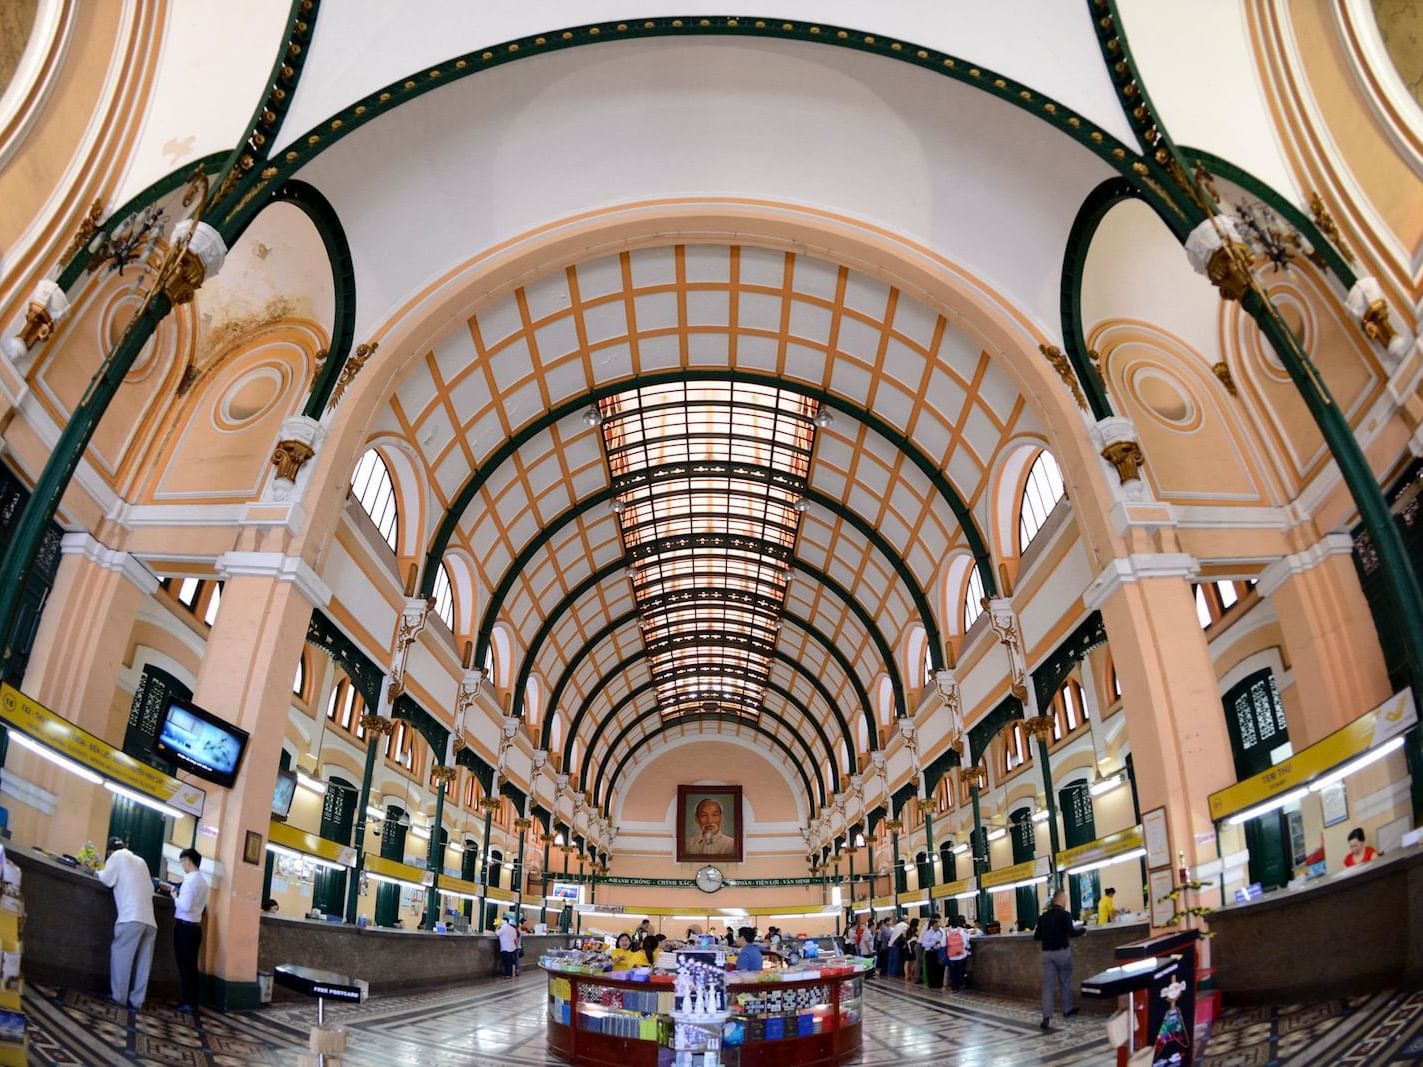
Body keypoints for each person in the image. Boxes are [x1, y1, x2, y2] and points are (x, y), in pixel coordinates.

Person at [97, 837, 157, 1011]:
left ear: (109, 852)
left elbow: (106, 879)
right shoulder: (141, 861)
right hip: (150, 921)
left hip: (131, 917)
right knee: (143, 963)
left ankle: (119, 997)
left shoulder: (117, 857)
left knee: (122, 957)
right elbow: (151, 888)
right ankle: (137, 1001)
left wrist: (96, 872)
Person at [1033, 890, 1085, 1029]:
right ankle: (1067, 1010)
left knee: (1048, 985)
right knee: (1065, 981)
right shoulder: (1065, 915)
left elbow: (1036, 936)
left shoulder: (1043, 917)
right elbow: (1072, 933)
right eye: (1065, 898)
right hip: (1062, 952)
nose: (1066, 900)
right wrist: (1083, 930)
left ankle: (1046, 1017)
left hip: (1047, 954)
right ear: (1061, 899)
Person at [168, 848, 209, 1013]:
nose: (182, 865)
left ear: (188, 860)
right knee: (191, 966)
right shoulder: (203, 882)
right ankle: (192, 1001)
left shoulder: (190, 881)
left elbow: (184, 905)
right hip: (195, 929)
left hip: (185, 928)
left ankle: (187, 1002)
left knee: (185, 966)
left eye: (182, 862)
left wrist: (173, 897)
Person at [946, 915, 972, 992]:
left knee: (953, 972)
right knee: (960, 971)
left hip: (951, 955)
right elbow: (966, 941)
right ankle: (960, 984)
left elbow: (943, 943)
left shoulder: (946, 931)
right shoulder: (963, 931)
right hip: (961, 954)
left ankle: (954, 987)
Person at [920, 917, 945, 990]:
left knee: (938, 968)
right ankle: (932, 984)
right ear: (932, 926)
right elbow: (924, 944)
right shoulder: (928, 933)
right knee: (931, 969)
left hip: (937, 952)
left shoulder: (939, 932)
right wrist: (934, 943)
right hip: (930, 952)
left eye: (938, 926)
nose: (938, 927)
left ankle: (939, 983)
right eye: (936, 926)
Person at [497, 914, 520, 979]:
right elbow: (515, 937)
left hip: (505, 947)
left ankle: (507, 975)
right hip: (513, 947)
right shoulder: (512, 928)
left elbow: (497, 933)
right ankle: (511, 974)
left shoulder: (504, 927)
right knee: (511, 961)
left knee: (506, 962)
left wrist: (498, 927)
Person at [904, 918, 921, 983]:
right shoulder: (915, 930)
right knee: (913, 961)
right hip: (912, 947)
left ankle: (906, 975)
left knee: (907, 962)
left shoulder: (908, 929)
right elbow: (916, 937)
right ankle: (911, 974)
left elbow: (906, 938)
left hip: (907, 947)